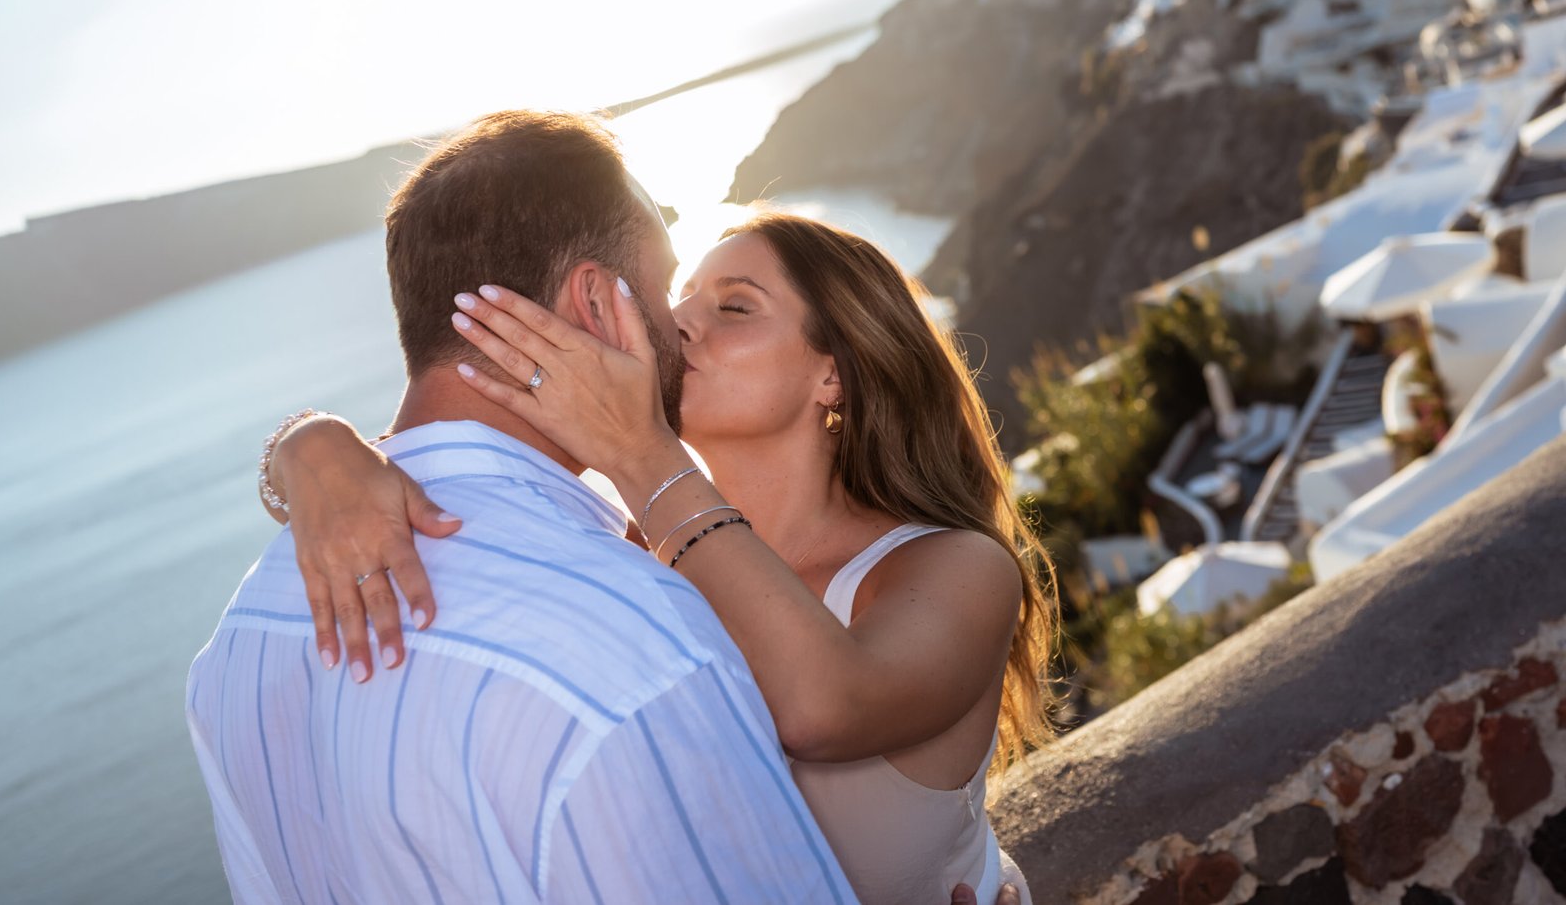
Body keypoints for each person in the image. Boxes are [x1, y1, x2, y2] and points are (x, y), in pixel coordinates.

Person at [268, 181, 1056, 900]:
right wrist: (307, 445)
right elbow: (454, 450)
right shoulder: (632, 549)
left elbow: (823, 705)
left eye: (735, 307)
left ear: (834, 376)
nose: (679, 322)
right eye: (680, 296)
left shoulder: (954, 567)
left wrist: (642, 452)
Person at [186, 110, 864, 903]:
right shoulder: (636, 629)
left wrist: (302, 441)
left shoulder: (239, 638)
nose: (679, 327)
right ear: (597, 302)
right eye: (660, 282)